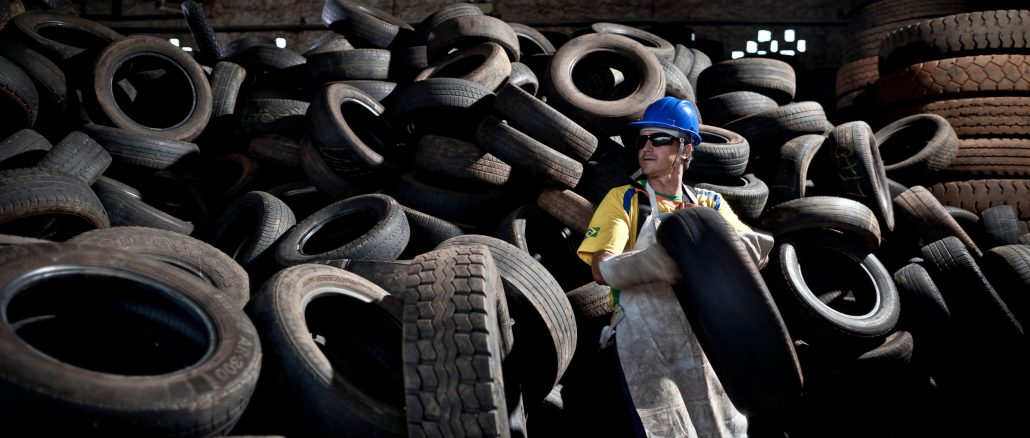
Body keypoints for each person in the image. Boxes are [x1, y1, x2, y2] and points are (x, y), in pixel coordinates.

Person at [576, 96, 757, 438]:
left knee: (726, 431)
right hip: (644, 344)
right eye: (642, 139)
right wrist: (652, 264)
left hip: (708, 346)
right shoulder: (626, 199)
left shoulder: (708, 202)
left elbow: (749, 249)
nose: (646, 147)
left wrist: (746, 252)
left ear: (687, 149)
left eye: (659, 139)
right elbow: (601, 267)